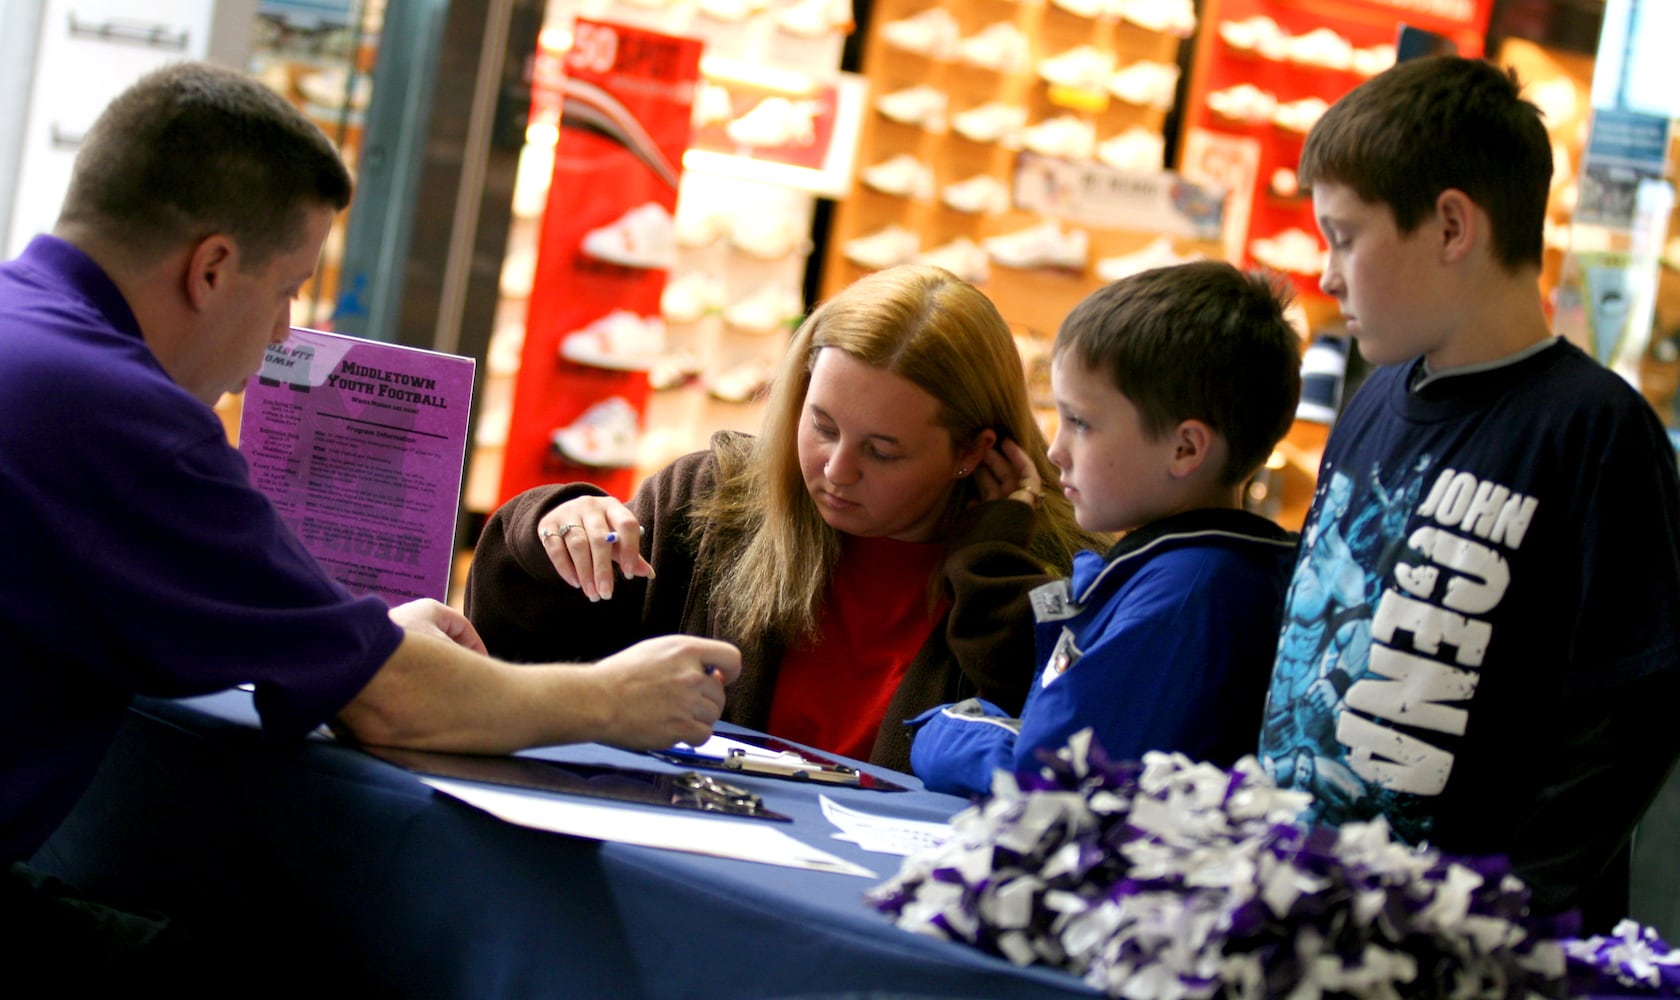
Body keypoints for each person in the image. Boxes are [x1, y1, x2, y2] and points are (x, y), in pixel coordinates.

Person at [0, 62, 740, 983]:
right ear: (213, 267)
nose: (281, 337)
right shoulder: (116, 412)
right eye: (286, 291)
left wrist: (363, 639)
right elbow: (388, 697)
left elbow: (227, 615)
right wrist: (613, 700)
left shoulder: (27, 336)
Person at [1256, 55, 1680, 926]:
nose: (1327, 274)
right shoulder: (1373, 395)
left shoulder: (1595, 432)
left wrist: (1501, 917)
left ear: (1452, 226)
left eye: (1343, 235)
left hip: (1455, 946)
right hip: (1298, 905)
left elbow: (1625, 722)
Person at [467, 264, 1103, 771]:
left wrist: (993, 571)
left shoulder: (1054, 575)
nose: (836, 469)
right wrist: (548, 525)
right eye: (820, 425)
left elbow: (1067, 742)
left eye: (882, 451)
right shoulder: (710, 502)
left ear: (973, 451)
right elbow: (525, 668)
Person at [907, 261, 1303, 797]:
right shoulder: (1189, 570)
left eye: (1081, 423)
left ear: (1185, 448)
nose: (1055, 450)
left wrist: (946, 731)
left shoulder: (1183, 597)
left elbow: (1053, 784)